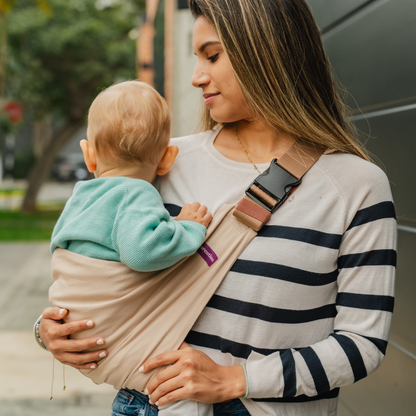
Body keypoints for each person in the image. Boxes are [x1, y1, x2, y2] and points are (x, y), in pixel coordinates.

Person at [36, 1, 397, 415]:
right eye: (196, 58)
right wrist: (54, 329)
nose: (196, 78)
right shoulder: (161, 163)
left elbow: (362, 344)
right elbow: (98, 267)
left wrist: (236, 379)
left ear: (267, 51)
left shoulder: (356, 187)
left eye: (212, 55)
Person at [47, 80, 214, 416]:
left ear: (89, 154)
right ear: (167, 159)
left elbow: (59, 247)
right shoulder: (137, 194)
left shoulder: (81, 195)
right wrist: (188, 228)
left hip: (75, 320)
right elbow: (143, 252)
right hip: (113, 333)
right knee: (180, 391)